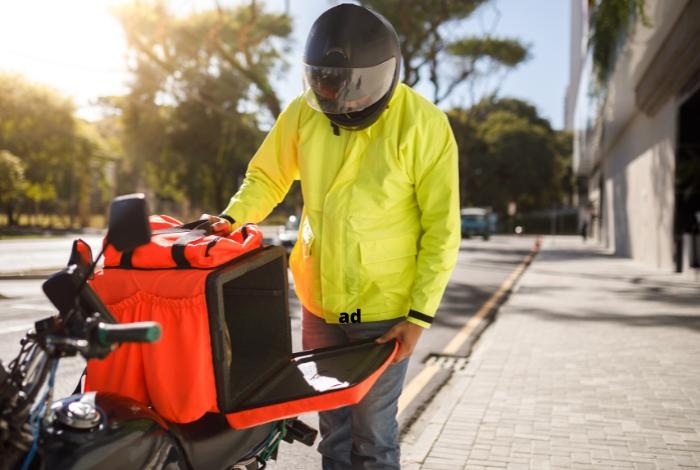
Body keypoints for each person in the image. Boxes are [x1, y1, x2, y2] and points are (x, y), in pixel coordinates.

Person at [204, 4, 460, 469]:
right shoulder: (305, 112)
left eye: (349, 85)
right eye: (325, 80)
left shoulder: (423, 125)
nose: (338, 97)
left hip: (385, 313)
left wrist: (419, 316)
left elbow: (442, 228)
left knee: (374, 437)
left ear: (386, 74)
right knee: (332, 434)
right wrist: (230, 219)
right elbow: (267, 177)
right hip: (320, 303)